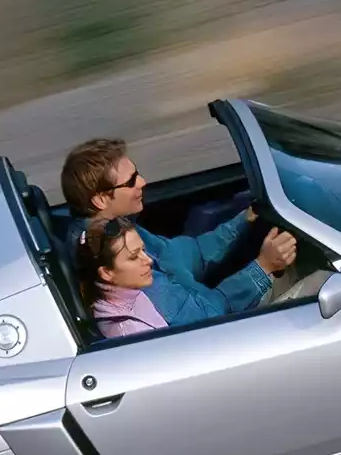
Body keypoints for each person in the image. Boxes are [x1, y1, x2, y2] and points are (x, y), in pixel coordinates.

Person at [60, 137, 298, 328]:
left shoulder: (113, 229)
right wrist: (265, 267)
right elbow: (210, 316)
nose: (142, 182)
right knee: (323, 285)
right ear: (101, 200)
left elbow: (187, 254)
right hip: (228, 326)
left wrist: (244, 220)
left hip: (213, 304)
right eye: (131, 181)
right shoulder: (132, 276)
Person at [78, 218, 169, 339]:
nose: (149, 260)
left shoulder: (128, 292)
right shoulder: (130, 331)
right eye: (134, 257)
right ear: (107, 273)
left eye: (143, 250)